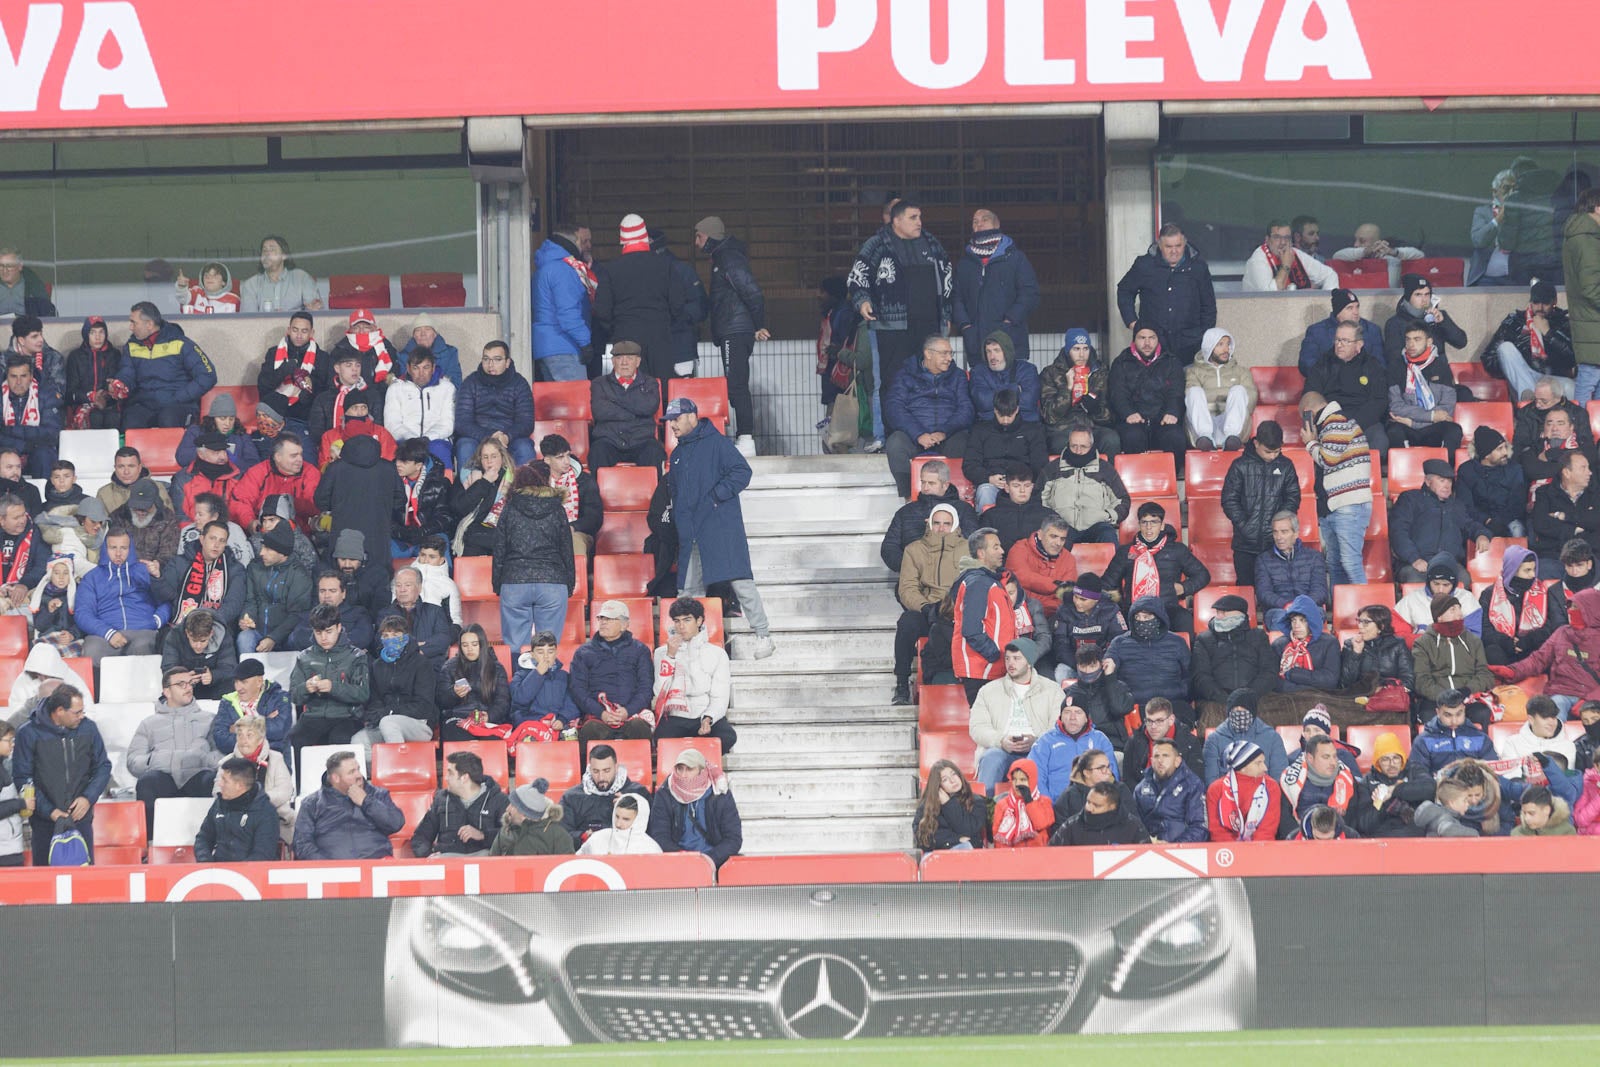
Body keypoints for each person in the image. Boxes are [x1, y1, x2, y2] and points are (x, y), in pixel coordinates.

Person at [665, 398, 775, 659]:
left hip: (720, 526)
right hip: (691, 532)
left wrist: (716, 496)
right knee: (688, 590)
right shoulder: (677, 454)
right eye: (669, 420)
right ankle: (683, 643)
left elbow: (742, 471)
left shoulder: (718, 444)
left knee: (740, 581)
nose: (671, 425)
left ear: (692, 416)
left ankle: (763, 636)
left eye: (676, 419)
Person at [848, 200, 953, 446]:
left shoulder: (931, 243)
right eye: (913, 217)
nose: (919, 222)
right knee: (893, 382)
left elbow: (947, 277)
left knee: (930, 379)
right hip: (890, 327)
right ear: (897, 221)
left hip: (928, 327)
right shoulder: (876, 245)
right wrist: (863, 301)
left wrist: (945, 314)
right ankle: (891, 436)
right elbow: (857, 277)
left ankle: (928, 434)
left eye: (920, 217)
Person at [693, 216, 768, 449]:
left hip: (735, 331)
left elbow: (751, 291)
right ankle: (744, 437)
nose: (696, 242)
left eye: (699, 236)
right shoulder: (723, 257)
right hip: (734, 329)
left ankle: (745, 438)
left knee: (736, 385)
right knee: (735, 383)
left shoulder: (728, 258)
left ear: (711, 235)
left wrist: (758, 324)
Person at [12, 686, 106, 864]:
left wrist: (87, 798)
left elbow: (103, 767)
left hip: (81, 817)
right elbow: (23, 778)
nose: (82, 716)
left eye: (82, 711)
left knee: (83, 882)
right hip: (45, 822)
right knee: (46, 884)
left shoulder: (88, 728)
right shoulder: (28, 733)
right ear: (60, 711)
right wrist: (50, 811)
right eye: (77, 712)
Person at [493, 460, 575, 652]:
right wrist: (569, 584)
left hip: (514, 582)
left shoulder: (509, 508)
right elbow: (567, 550)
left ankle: (517, 680)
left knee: (515, 648)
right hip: (553, 582)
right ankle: (546, 681)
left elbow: (499, 550)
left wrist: (498, 584)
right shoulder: (557, 509)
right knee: (548, 647)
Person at [126, 669, 221, 830]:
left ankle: (212, 843)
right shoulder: (149, 723)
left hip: (197, 776)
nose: (188, 688)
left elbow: (222, 754)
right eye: (181, 684)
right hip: (164, 778)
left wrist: (202, 759)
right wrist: (155, 760)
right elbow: (133, 761)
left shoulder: (210, 719)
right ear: (167, 691)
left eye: (190, 683)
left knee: (211, 780)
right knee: (147, 782)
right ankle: (150, 844)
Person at [882, 335, 974, 499]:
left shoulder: (958, 376)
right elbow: (894, 408)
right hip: (915, 436)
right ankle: (909, 497)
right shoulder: (905, 375)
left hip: (947, 435)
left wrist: (944, 431)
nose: (949, 358)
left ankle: (954, 496)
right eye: (944, 353)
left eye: (950, 354)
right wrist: (918, 434)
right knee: (895, 443)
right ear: (928, 354)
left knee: (965, 442)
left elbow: (966, 410)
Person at [1300, 390, 1374, 587]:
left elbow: (1328, 459)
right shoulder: (1329, 425)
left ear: (1308, 411)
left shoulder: (1336, 422)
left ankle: (1370, 613)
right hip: (1334, 506)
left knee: (1350, 563)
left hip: (1349, 505)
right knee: (1334, 563)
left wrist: (1310, 443)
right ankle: (1343, 611)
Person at [1114, 223, 1216, 365]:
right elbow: (1124, 290)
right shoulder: (1144, 265)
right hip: (1153, 345)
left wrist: (1203, 334)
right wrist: (1133, 322)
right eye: (1168, 247)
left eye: (1178, 246)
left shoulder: (1198, 267)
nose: (1174, 251)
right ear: (1160, 246)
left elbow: (1209, 306)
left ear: (1185, 244)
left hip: (1190, 345)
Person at [894, 503, 965, 704]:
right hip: (927, 609)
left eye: (946, 523)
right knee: (907, 623)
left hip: (957, 612)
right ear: (930, 523)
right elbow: (907, 587)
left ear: (955, 525)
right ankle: (901, 683)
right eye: (937, 523)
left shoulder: (968, 549)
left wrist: (954, 608)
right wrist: (925, 607)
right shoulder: (914, 549)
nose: (941, 528)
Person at [966, 637, 1058, 792]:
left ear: (1029, 662)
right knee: (991, 758)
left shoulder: (1052, 690)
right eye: (1007, 658)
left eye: (1017, 658)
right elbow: (977, 727)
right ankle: (985, 812)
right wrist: (1001, 740)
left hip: (1037, 749)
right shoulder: (988, 691)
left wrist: (1036, 741)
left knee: (1049, 761)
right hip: (1000, 748)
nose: (1010, 663)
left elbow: (1057, 727)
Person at [1103, 501, 1210, 633]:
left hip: (1167, 607)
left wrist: (1184, 588)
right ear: (1139, 525)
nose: (1149, 527)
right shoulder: (1125, 552)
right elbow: (1107, 583)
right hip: (1134, 609)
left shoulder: (1177, 550)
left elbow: (1202, 575)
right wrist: (1121, 603)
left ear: (1162, 525)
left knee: (1184, 620)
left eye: (1154, 522)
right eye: (1144, 522)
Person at [1493, 587, 1600, 718]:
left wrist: (1590, 700)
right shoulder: (1562, 632)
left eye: (1577, 608)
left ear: (1591, 611)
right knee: (1553, 713)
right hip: (1561, 693)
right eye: (1570, 607)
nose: (1571, 611)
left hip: (1591, 697)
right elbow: (1538, 659)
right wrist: (1512, 671)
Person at [953, 208, 1039, 364]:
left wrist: (1010, 320)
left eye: (985, 219)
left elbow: (1029, 293)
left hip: (1011, 339)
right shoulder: (965, 263)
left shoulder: (1015, 258)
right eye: (975, 221)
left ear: (997, 223)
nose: (979, 224)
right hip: (977, 343)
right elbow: (956, 298)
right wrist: (965, 326)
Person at [111, 303, 217, 429]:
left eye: (134, 323)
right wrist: (121, 385)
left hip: (178, 405)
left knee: (168, 419)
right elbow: (127, 372)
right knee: (130, 422)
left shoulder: (181, 343)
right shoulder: (131, 346)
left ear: (149, 324)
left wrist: (179, 397)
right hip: (144, 404)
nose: (130, 327)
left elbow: (208, 375)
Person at [1223, 424, 1302, 588]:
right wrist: (1246, 526)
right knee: (1246, 589)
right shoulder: (1240, 465)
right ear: (1256, 443)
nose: (1273, 456)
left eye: (1277, 451)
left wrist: (1277, 528)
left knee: (1276, 589)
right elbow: (1229, 500)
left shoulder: (1286, 466)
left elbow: (1293, 498)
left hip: (1275, 542)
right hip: (1244, 544)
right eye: (1268, 451)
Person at [653, 596, 735, 751]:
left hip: (704, 712)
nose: (681, 626)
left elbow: (720, 696)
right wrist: (670, 657)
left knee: (727, 737)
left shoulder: (717, 653)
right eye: (677, 621)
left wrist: (709, 718)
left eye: (687, 620)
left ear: (699, 621)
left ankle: (698, 766)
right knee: (661, 741)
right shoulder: (661, 653)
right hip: (675, 715)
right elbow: (660, 692)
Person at [288, 605, 371, 755]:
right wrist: (306, 688)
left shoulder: (356, 656)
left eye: (328, 631)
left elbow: (362, 693)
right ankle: (300, 779)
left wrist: (333, 687)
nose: (324, 638)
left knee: (339, 739)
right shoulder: (304, 657)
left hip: (346, 717)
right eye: (318, 633)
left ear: (339, 627)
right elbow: (294, 695)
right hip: (313, 716)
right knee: (295, 740)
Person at [570, 599, 655, 745]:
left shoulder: (640, 651)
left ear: (624, 625)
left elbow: (646, 688)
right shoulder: (583, 653)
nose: (603, 622)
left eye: (609, 619)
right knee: (590, 730)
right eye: (601, 618)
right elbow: (578, 689)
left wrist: (628, 711)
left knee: (639, 727)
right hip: (598, 716)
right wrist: (601, 713)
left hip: (631, 714)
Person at [293, 750, 403, 860]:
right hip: (331, 871)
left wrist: (366, 801)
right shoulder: (312, 804)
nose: (359, 775)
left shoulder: (377, 795)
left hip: (376, 865)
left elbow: (396, 823)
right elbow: (302, 844)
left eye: (358, 769)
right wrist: (325, 866)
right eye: (351, 772)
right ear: (335, 778)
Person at [1305, 321, 1391, 456]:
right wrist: (1335, 422)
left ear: (1359, 345)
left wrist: (1353, 424)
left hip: (1363, 421)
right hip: (1331, 422)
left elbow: (1379, 401)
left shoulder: (1372, 366)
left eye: (1345, 341)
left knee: (1379, 441)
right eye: (1337, 340)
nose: (1339, 345)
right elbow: (1311, 396)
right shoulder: (1322, 364)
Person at [1392, 460, 1485, 584]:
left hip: (1448, 565)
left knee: (1464, 580)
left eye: (1450, 481)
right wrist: (1414, 558)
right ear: (1428, 481)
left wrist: (1481, 534)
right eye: (1442, 480)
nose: (1447, 486)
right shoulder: (1410, 499)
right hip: (1416, 564)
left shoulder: (1456, 505)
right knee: (1415, 581)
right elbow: (1398, 532)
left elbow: (1469, 524)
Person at [879, 459, 980, 573]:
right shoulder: (905, 512)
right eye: (923, 482)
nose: (925, 487)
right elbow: (889, 547)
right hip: (914, 576)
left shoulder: (964, 510)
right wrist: (910, 565)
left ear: (945, 485)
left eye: (931, 483)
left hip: (953, 575)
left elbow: (973, 542)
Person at [1040, 418, 1131, 543]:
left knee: (1108, 534)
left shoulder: (1104, 469)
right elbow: (1038, 499)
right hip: (1062, 526)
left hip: (1096, 525)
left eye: (1083, 446)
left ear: (1091, 446)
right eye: (1074, 446)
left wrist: (1107, 516)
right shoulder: (1052, 469)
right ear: (1068, 444)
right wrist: (1052, 519)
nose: (1078, 451)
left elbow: (1123, 501)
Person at [647, 748, 742, 867]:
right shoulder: (665, 793)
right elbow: (659, 835)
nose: (683, 775)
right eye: (679, 769)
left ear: (701, 771)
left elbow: (733, 838)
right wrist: (684, 858)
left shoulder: (720, 794)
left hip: (715, 860)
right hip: (678, 862)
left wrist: (711, 859)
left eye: (689, 769)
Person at [210, 712, 294, 846]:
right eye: (240, 735)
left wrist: (255, 801)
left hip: (274, 814)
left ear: (260, 739)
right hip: (235, 816)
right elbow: (217, 792)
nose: (243, 740)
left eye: (249, 735)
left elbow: (285, 791)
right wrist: (241, 803)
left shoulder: (276, 758)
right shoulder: (227, 762)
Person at [1106, 597, 1194, 725]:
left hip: (1172, 703)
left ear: (1159, 618)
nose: (1141, 621)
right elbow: (1109, 673)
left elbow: (1190, 675)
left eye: (1146, 617)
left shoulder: (1177, 642)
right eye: (1138, 617)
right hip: (1135, 705)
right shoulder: (1119, 643)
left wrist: (1181, 692)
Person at [1486, 279, 1575, 401]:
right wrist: (1515, 362)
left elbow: (1573, 358)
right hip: (1523, 375)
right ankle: (1529, 400)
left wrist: (1548, 333)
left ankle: (1533, 399)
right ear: (1531, 302)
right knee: (1505, 348)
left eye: (1546, 303)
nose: (1540, 307)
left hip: (1553, 378)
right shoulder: (1514, 322)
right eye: (1536, 302)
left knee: (1571, 387)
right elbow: (1488, 359)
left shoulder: (1563, 323)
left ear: (1554, 302)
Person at [1107, 321, 1186, 460]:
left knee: (1175, 437)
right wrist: (1128, 413)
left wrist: (1172, 412)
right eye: (1142, 338)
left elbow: (1176, 391)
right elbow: (1117, 393)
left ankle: (1169, 477)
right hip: (1133, 421)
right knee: (1132, 437)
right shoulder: (1121, 362)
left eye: (1152, 338)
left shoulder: (1171, 362)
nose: (1147, 343)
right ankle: (1137, 479)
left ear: (1158, 339)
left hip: (1162, 420)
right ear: (1134, 339)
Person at [1191, 594, 1278, 719]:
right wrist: (1223, 697)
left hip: (1255, 695)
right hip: (1217, 699)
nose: (1219, 617)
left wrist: (1249, 695)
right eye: (1218, 613)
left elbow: (1269, 671)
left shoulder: (1258, 636)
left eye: (1224, 613)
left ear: (1239, 614)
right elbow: (1200, 675)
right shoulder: (1204, 639)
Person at [951, 528, 1013, 702]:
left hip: (986, 668)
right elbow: (971, 629)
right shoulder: (979, 583)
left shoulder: (986, 580)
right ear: (981, 553)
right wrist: (995, 655)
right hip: (982, 668)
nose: (1002, 551)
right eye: (995, 547)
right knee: (985, 725)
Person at [409, 751, 507, 858]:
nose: (446, 778)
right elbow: (420, 836)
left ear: (464, 778)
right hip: (447, 858)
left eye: (450, 773)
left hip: (483, 859)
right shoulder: (441, 799)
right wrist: (427, 855)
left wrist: (483, 835)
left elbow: (511, 835)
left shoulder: (498, 799)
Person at [155, 520, 245, 636]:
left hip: (216, 628)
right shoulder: (179, 562)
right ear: (202, 539)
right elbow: (165, 596)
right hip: (180, 626)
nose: (216, 545)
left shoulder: (234, 569)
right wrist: (157, 578)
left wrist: (206, 624)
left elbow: (233, 604)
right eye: (212, 538)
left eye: (222, 541)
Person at [1480, 546, 1566, 666]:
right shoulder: (1489, 594)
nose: (1533, 575)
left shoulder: (1541, 592)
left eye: (1534, 569)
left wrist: (1528, 640)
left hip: (1531, 648)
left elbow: (1548, 627)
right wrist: (1506, 642)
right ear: (1513, 571)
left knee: (1548, 649)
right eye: (1527, 570)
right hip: (1503, 649)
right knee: (1492, 651)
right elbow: (1485, 630)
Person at [235, 522, 312, 656]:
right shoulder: (254, 567)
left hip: (286, 635)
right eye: (263, 547)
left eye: (268, 549)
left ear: (282, 554)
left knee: (298, 638)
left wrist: (274, 638)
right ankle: (248, 676)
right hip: (258, 632)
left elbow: (297, 614)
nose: (261, 552)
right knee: (244, 638)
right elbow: (250, 600)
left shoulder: (299, 575)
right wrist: (247, 618)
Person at [964, 387, 1047, 511]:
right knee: (985, 491)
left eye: (1010, 415)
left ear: (1017, 410)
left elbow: (1040, 465)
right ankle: (986, 529)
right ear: (995, 410)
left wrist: (1022, 482)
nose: (1006, 420)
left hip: (1022, 484)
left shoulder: (1033, 431)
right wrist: (988, 478)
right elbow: (970, 465)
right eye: (1001, 415)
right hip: (992, 483)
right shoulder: (980, 431)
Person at [588, 341, 667, 470]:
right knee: (597, 452)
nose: (624, 363)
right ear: (613, 361)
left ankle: (656, 491)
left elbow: (649, 407)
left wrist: (614, 400)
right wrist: (635, 412)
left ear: (638, 361)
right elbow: (600, 412)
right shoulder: (599, 383)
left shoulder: (650, 383)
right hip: (609, 440)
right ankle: (597, 491)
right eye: (619, 358)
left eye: (629, 358)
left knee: (655, 452)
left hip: (641, 440)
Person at [1039, 329, 1118, 456]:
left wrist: (1095, 409)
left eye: (1085, 348)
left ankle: (1107, 475)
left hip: (1092, 427)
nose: (1081, 354)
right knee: (1058, 443)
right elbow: (1049, 416)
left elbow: (1111, 417)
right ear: (1067, 350)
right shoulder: (1051, 373)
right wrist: (1068, 389)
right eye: (1076, 349)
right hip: (1063, 429)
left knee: (1111, 439)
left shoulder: (1100, 372)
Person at [1387, 322, 1463, 453]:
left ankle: (1444, 470)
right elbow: (1396, 407)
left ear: (1429, 342)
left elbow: (1447, 407)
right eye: (1408, 339)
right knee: (1393, 430)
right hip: (1407, 426)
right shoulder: (1396, 367)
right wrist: (1431, 416)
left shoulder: (1441, 367)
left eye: (1417, 339)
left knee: (1453, 430)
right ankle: (1404, 470)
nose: (1411, 345)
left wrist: (1414, 423)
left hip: (1428, 426)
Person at [1414, 599, 1494, 723]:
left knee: (1482, 713)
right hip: (1436, 698)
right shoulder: (1423, 643)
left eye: (1459, 608)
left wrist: (1467, 691)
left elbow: (1485, 675)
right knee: (1427, 715)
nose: (1459, 614)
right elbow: (1421, 680)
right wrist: (1443, 697)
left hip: (1467, 697)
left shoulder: (1473, 640)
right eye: (1453, 610)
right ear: (1439, 616)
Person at [532, 222, 595, 381]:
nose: (582, 248)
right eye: (580, 242)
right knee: (575, 403)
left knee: (557, 405)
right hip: (564, 347)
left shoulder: (543, 267)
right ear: (573, 241)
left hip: (546, 347)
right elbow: (568, 313)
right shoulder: (563, 270)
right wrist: (585, 342)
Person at [560, 743, 650, 847]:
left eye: (606, 771)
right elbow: (560, 835)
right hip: (587, 854)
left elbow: (651, 831)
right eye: (596, 771)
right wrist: (583, 837)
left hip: (627, 853)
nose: (601, 777)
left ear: (616, 767)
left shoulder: (638, 793)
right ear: (589, 769)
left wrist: (631, 804)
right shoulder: (572, 797)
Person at [1255, 512, 1331, 633]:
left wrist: (1302, 606)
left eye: (1284, 532)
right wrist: (1286, 605)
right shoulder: (1263, 559)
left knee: (1310, 617)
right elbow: (1263, 593)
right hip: (1279, 610)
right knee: (1282, 620)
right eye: (1275, 532)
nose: (1278, 537)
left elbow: (1320, 591)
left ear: (1295, 534)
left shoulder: (1314, 557)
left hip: (1309, 607)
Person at [194, 757, 281, 863]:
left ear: (239, 785)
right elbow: (203, 838)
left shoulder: (266, 812)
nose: (220, 784)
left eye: (225, 781)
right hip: (218, 873)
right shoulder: (219, 804)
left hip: (251, 875)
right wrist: (205, 862)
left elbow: (263, 854)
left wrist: (237, 874)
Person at [210, 656, 293, 764]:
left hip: (273, 761)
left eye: (244, 682)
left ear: (259, 682)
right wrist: (263, 723)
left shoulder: (279, 697)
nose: (238, 687)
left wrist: (239, 729)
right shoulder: (227, 702)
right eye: (236, 682)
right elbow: (220, 739)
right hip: (238, 764)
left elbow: (280, 730)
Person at [1030, 699, 1118, 800]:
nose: (1072, 718)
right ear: (1061, 717)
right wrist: (1046, 805)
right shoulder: (1045, 741)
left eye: (1078, 712)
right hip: (1057, 806)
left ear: (1086, 717)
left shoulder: (1100, 739)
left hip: (1095, 803)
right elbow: (1036, 776)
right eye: (1067, 712)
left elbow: (1111, 775)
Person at [231, 433, 320, 532]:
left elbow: (316, 505)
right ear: (278, 457)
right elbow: (241, 502)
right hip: (263, 531)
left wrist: (290, 503)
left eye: (300, 454)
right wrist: (250, 522)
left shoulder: (310, 472)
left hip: (299, 533)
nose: (300, 460)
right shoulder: (258, 472)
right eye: (294, 456)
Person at [384, 347, 455, 469]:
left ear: (433, 368)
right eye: (416, 368)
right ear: (408, 368)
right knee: (399, 454)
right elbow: (392, 423)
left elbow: (447, 423)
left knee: (439, 450)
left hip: (436, 440)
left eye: (426, 368)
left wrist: (427, 439)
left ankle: (445, 485)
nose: (421, 373)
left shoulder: (447, 388)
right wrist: (412, 440)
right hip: (405, 440)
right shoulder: (395, 389)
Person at [1184, 327, 1254, 452]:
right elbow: (1191, 399)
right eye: (1220, 344)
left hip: (1233, 425)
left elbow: (1251, 398)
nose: (1226, 349)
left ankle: (1232, 438)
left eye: (1228, 344)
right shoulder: (1193, 372)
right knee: (1194, 391)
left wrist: (1225, 403)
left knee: (1239, 390)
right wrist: (1223, 398)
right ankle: (1205, 438)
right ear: (1209, 347)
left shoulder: (1241, 371)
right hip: (1202, 426)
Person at [437, 624, 510, 741]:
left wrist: (490, 716)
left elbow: (503, 701)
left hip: (487, 719)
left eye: (474, 644)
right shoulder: (449, 667)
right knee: (458, 736)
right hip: (458, 718)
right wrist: (453, 694)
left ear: (482, 644)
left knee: (491, 741)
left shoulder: (496, 668)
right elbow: (441, 702)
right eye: (465, 645)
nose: (469, 649)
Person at [1049, 573, 1126, 683]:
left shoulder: (1111, 610)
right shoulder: (1065, 609)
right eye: (1075, 597)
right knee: (1061, 673)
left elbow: (1118, 641)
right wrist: (1080, 665)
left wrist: (1098, 664)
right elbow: (1060, 644)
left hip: (1102, 663)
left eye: (1083, 599)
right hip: (1074, 663)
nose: (1077, 602)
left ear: (1096, 600)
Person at [1202, 689, 1289, 784]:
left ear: (1253, 711)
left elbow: (1279, 777)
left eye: (1244, 710)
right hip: (1227, 796)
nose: (1239, 713)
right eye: (1235, 710)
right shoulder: (1214, 740)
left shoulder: (1272, 738)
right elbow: (1211, 781)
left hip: (1263, 794)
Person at [1206, 739, 1286, 842]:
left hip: (1261, 850)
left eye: (1263, 762)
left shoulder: (1271, 787)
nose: (1265, 768)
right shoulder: (1216, 789)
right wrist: (1235, 853)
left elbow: (1267, 830)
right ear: (1242, 767)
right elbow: (1218, 832)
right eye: (1258, 763)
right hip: (1228, 852)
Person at [1530, 450, 1600, 566]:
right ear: (1567, 473)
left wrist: (1564, 516)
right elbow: (1541, 524)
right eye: (1583, 468)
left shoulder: (1596, 494)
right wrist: (1575, 530)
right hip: (1554, 556)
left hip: (1591, 557)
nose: (1590, 473)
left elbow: (1596, 520)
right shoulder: (1545, 493)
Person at [1408, 688, 1498, 779]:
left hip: (1474, 788)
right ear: (1438, 712)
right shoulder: (1423, 740)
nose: (1454, 721)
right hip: (1438, 788)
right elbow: (1417, 773)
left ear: (1464, 709)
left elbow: (1491, 770)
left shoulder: (1480, 738)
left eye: (1459, 714)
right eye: (1448, 715)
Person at [1383, 274, 1469, 368]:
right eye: (1418, 295)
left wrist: (1443, 323)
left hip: (1439, 375)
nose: (1424, 300)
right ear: (1408, 297)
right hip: (1411, 376)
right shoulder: (1395, 323)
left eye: (1427, 294)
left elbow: (1461, 342)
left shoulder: (1439, 317)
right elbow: (1394, 358)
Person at [1563, 186, 1600, 403]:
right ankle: (1582, 430)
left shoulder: (1583, 237)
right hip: (1592, 322)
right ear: (1597, 208)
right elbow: (1591, 287)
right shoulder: (1586, 240)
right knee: (1589, 376)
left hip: (1590, 321)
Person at [1133, 738, 1208, 843]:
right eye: (1156, 756)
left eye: (1165, 756)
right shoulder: (1140, 789)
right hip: (1148, 852)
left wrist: (1174, 847)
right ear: (1151, 761)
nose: (1160, 760)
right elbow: (1134, 826)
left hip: (1183, 852)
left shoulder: (1192, 785)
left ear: (1177, 761)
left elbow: (1200, 827)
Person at [1457, 426, 1527, 540]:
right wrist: (1486, 520)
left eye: (1505, 447)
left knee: (1517, 529)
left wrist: (1501, 521)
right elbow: (1466, 505)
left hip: (1508, 519)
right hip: (1479, 520)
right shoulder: (1466, 471)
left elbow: (1518, 503)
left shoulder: (1514, 469)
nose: (1505, 452)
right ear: (1486, 454)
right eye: (1499, 449)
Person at [256, 311, 320, 432]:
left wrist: (308, 393)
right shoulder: (273, 353)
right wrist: (282, 371)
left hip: (304, 418)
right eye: (295, 330)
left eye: (304, 331)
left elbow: (322, 391)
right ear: (289, 330)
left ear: (312, 333)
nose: (299, 335)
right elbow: (263, 387)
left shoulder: (321, 357)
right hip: (274, 416)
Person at [389, 438, 453, 560]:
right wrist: (401, 532)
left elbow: (444, 517)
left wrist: (422, 532)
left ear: (418, 465)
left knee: (440, 542)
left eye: (404, 462)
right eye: (398, 460)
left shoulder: (439, 482)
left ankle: (442, 577)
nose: (398, 464)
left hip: (428, 533)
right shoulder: (389, 479)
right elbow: (383, 515)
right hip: (398, 534)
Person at [1298, 289, 1387, 375]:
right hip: (1328, 385)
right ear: (1338, 312)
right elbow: (1306, 364)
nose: (1355, 312)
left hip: (1363, 384)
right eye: (1350, 308)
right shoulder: (1316, 331)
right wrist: (1333, 374)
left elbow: (1380, 364)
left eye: (1357, 307)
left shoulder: (1372, 330)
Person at [540, 434, 602, 557]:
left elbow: (595, 517)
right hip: (545, 531)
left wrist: (572, 527)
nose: (567, 461)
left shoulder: (585, 481)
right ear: (547, 460)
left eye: (568, 455)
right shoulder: (537, 480)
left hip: (577, 532)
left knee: (573, 541)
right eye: (560, 457)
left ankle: (575, 576)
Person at [0, 354, 61, 477]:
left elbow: (51, 432)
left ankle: (43, 495)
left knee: (44, 454)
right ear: (7, 376)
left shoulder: (46, 394)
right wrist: (23, 445)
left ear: (31, 376)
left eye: (23, 376)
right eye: (13, 376)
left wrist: (11, 430)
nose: (18, 382)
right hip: (6, 450)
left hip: (37, 450)